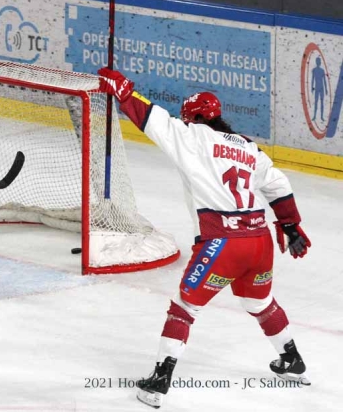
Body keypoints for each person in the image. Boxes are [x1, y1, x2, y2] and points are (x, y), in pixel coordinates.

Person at [97, 68, 312, 408]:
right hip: (259, 242)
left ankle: (158, 383)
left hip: (223, 243)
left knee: (184, 308)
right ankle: (292, 358)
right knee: (259, 303)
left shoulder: (194, 136)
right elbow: (277, 184)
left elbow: (156, 122)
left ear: (194, 118)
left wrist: (125, 94)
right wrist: (289, 224)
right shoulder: (249, 147)